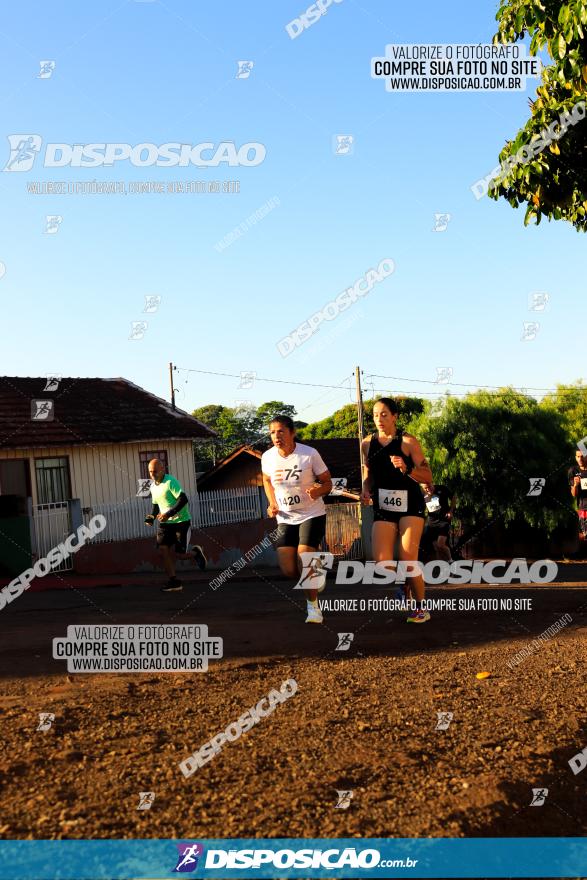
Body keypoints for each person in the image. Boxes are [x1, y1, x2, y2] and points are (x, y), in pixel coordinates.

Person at [361, 398, 433, 623]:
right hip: (384, 506)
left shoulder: (408, 441)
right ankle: (404, 581)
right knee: (382, 562)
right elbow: (368, 473)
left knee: (407, 558)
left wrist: (407, 467)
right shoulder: (366, 444)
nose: (379, 419)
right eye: (374, 415)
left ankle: (421, 608)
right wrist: (365, 489)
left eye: (384, 414)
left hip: (411, 504)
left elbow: (428, 476)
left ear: (395, 417)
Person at [261, 416, 332, 623]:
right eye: (272, 432)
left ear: (293, 433)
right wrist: (272, 502)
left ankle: (313, 608)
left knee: (304, 558)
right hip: (285, 517)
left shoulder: (309, 454)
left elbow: (327, 482)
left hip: (312, 513)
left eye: (281, 431)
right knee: (289, 569)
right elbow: (266, 480)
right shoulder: (267, 457)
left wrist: (318, 490)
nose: (276, 436)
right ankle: (316, 570)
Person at [144, 459, 207, 592]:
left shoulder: (170, 481)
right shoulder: (153, 486)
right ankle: (174, 582)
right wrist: (151, 517)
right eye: (150, 471)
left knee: (180, 555)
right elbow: (156, 505)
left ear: (162, 470)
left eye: (155, 471)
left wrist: (168, 513)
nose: (152, 474)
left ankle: (195, 552)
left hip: (181, 522)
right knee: (163, 549)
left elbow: (183, 499)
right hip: (165, 524)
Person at [421, 483, 455, 564]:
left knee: (440, 544)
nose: (428, 489)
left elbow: (453, 497)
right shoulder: (423, 493)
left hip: (443, 521)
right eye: (425, 488)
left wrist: (451, 511)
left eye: (429, 487)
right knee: (436, 546)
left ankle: (450, 560)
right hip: (431, 522)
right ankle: (440, 564)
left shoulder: (442, 488)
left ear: (432, 483)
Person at [568, 448, 587, 547]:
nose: (580, 459)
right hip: (583, 507)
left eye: (582, 456)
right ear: (575, 458)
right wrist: (575, 485)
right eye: (578, 456)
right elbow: (574, 494)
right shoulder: (573, 471)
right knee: (584, 535)